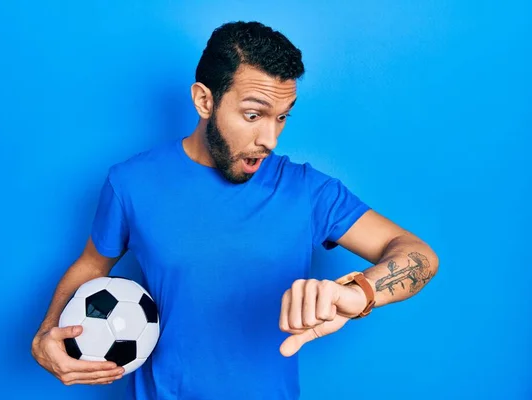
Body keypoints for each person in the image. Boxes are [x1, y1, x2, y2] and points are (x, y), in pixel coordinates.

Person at [31, 20, 439, 399]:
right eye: (253, 115)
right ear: (204, 100)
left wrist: (360, 293)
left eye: (282, 118)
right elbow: (91, 264)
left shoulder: (307, 191)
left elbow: (418, 255)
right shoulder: (131, 183)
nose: (270, 139)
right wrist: (48, 332)